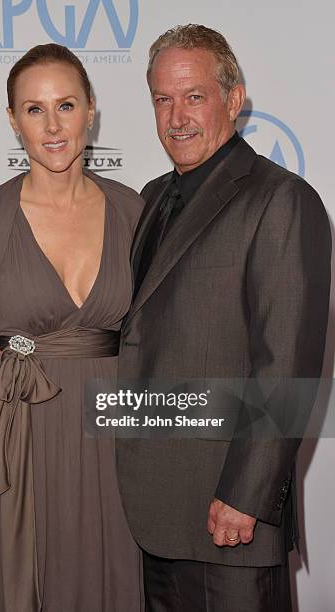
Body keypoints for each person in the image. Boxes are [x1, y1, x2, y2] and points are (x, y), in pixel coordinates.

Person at [0, 44, 144, 611]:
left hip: (113, 435)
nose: (53, 125)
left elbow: (154, 334)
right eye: (34, 110)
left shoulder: (135, 212)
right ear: (13, 120)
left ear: (92, 108)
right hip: (15, 436)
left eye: (65, 105)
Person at [114, 25, 331, 611]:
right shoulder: (155, 195)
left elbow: (285, 362)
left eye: (194, 96)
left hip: (227, 517)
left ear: (234, 100)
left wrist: (246, 495)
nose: (176, 116)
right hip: (155, 510)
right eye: (163, 98)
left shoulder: (282, 199)